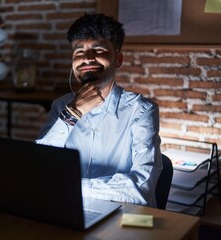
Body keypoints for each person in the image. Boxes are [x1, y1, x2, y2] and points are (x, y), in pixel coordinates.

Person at [36, 13, 162, 207]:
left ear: (118, 59)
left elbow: (141, 187)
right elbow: (38, 164)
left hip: (122, 214)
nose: (87, 58)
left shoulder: (141, 110)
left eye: (99, 49)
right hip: (68, 208)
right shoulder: (62, 106)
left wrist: (70, 187)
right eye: (79, 52)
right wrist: (73, 113)